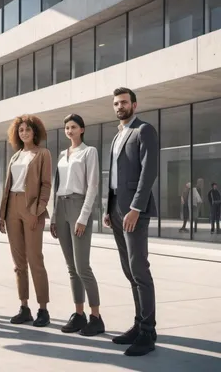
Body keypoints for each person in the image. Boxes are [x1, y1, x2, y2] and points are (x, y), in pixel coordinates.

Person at [104, 87, 158, 357]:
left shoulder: (144, 130)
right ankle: (138, 324)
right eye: (116, 103)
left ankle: (148, 331)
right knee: (128, 271)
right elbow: (114, 176)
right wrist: (108, 207)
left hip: (134, 211)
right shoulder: (117, 136)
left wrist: (136, 207)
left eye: (124, 102)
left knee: (139, 269)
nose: (120, 106)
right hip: (116, 210)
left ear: (134, 105)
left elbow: (149, 172)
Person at [50, 114, 104, 336]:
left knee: (83, 267)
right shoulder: (63, 155)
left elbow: (93, 186)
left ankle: (96, 317)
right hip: (61, 208)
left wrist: (83, 217)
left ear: (82, 129)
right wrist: (54, 216)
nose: (69, 130)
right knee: (71, 267)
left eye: (73, 127)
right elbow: (58, 186)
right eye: (66, 127)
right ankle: (79, 314)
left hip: (78, 206)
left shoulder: (89, 152)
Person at [0, 115, 51, 328]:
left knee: (35, 259)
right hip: (12, 207)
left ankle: (43, 309)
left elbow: (46, 185)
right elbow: (8, 185)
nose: (24, 133)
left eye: (27, 130)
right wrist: (2, 215)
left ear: (35, 132)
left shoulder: (43, 154)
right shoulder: (15, 156)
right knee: (18, 262)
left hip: (31, 209)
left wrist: (37, 210)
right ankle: (24, 307)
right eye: (20, 130)